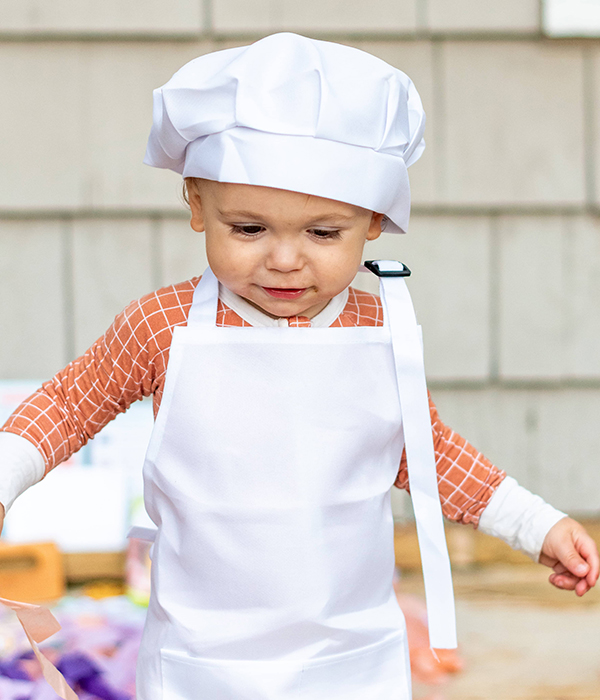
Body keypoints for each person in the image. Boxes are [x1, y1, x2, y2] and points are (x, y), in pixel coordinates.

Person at [0, 33, 597, 700]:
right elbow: (66, 404)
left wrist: (535, 524)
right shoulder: (162, 327)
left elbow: (431, 457)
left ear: (373, 221)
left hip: (352, 658)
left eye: (322, 233)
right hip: (204, 663)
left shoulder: (380, 330)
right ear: (197, 205)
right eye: (249, 229)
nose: (285, 260)